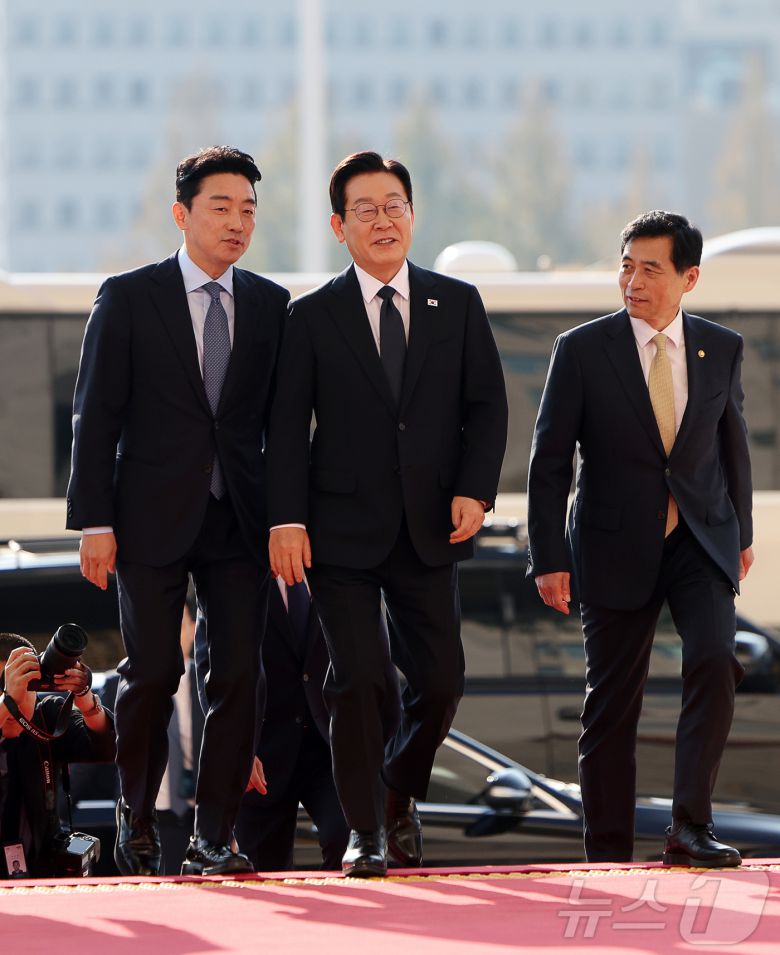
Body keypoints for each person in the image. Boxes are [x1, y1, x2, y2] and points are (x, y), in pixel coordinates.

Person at [266, 151, 508, 876]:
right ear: (339, 226)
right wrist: (286, 519)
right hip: (339, 533)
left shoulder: (455, 303)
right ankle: (365, 830)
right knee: (358, 679)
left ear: (413, 214)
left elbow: (487, 406)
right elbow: (286, 429)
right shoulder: (311, 315)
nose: (383, 220)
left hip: (430, 527)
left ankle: (400, 783)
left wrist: (475, 489)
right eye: (365, 209)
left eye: (394, 205)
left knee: (442, 682)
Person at [66, 146, 290, 877]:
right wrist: (94, 522)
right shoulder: (130, 297)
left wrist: (286, 518)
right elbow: (95, 414)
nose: (237, 222)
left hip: (239, 519)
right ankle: (135, 814)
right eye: (221, 207)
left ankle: (213, 836)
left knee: (240, 676)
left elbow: (282, 426)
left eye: (248, 210)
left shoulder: (271, 304)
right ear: (182, 214)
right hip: (149, 517)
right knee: (155, 670)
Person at [527, 210, 754, 867]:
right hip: (611, 543)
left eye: (651, 269)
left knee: (715, 658)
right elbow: (549, 461)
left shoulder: (721, 347)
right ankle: (607, 853)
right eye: (626, 266)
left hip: (700, 538)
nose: (634, 281)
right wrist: (548, 557)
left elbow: (733, 445)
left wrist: (741, 532)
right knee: (612, 705)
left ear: (689, 278)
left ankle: (690, 826)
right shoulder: (581, 349)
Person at [194, 578, 357, 871]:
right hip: (260, 754)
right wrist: (236, 748)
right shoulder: (232, 572)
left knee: (349, 846)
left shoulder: (332, 564)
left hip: (328, 745)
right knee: (264, 872)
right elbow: (211, 670)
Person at [0, 633, 115, 878]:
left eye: (23, 686)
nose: (15, 699)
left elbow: (109, 748)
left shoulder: (48, 717)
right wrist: (7, 701)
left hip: (41, 871)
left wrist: (86, 701)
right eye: (5, 687)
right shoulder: (8, 703)